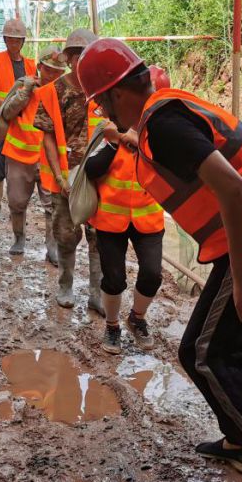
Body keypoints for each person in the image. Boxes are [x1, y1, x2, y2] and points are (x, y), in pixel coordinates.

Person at [76, 39, 242, 482]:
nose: (101, 112)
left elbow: (231, 186)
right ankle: (238, 441)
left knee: (202, 353)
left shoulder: (163, 125)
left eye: (100, 102)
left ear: (118, 93)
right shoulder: (161, 118)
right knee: (230, 346)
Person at [84, 65, 168, 354]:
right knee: (114, 278)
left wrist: (138, 142)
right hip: (110, 219)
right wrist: (116, 140)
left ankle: (137, 318)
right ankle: (112, 326)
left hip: (148, 218)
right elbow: (91, 168)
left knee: (152, 274)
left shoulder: (163, 135)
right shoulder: (108, 127)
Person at [34, 29, 106, 314]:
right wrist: (60, 176)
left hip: (99, 177)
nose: (81, 63)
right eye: (77, 57)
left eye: (86, 57)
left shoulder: (104, 89)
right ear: (69, 59)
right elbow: (48, 137)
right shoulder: (54, 92)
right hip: (66, 177)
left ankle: (97, 294)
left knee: (99, 237)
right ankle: (65, 285)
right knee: (66, 236)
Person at [0, 47, 64, 260]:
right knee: (17, 202)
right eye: (48, 70)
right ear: (39, 67)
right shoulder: (24, 86)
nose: (52, 75)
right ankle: (19, 237)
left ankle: (52, 247)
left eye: (57, 72)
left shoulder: (63, 93)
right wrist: (25, 92)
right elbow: (7, 113)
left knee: (52, 205)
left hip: (49, 159)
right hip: (19, 156)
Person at [0, 18, 35, 223]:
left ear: (23, 42)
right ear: (5, 40)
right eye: (10, 40)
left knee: (17, 171)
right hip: (0, 123)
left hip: (21, 126)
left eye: (17, 40)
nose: (14, 43)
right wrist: (6, 105)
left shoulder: (30, 65)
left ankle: (16, 210)